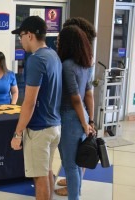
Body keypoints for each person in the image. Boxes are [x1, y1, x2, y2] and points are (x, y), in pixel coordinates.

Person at [10, 16, 62, 200]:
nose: (20, 40)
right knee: (47, 172)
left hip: (39, 129)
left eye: (21, 36)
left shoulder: (35, 59)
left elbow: (29, 102)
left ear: (30, 35)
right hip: (55, 125)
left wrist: (18, 133)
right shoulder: (53, 55)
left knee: (40, 179)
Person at [55, 17, 97, 196]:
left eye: (59, 40)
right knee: (76, 164)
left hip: (70, 118)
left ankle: (74, 196)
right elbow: (88, 94)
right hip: (82, 118)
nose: (57, 43)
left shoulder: (67, 65)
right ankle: (76, 193)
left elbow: (76, 99)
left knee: (70, 165)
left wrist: (83, 123)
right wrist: (90, 121)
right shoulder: (85, 64)